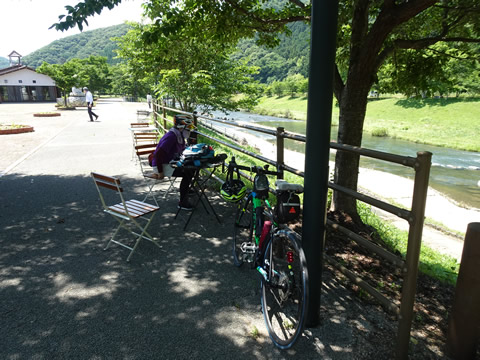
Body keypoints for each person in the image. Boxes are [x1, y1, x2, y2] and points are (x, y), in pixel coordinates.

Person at [151, 115, 195, 210]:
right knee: (187, 173)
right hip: (161, 165)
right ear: (181, 127)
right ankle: (182, 202)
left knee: (191, 168)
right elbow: (158, 154)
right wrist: (160, 172)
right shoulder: (171, 137)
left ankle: (185, 189)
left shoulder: (178, 135)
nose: (189, 132)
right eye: (188, 129)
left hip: (168, 162)